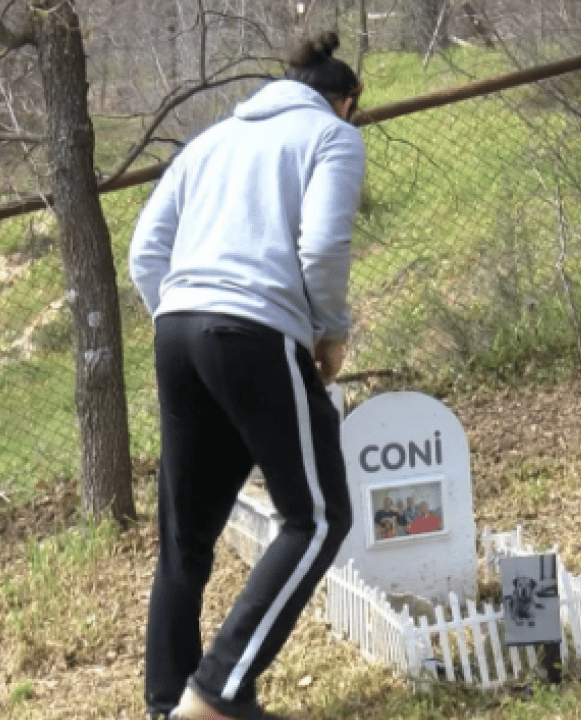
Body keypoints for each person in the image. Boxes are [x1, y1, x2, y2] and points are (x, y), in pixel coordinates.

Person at [129, 32, 365, 720]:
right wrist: (330, 332)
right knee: (318, 517)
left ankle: (168, 704)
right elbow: (321, 245)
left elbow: (147, 249)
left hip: (176, 330)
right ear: (345, 101)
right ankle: (217, 691)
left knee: (186, 536)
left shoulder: (209, 141)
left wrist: (179, 317)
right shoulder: (332, 136)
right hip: (253, 330)